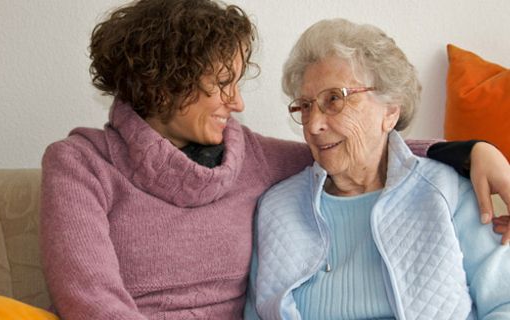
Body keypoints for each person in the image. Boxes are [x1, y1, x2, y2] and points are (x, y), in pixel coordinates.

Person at [40, 1, 510, 319]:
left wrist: (470, 151)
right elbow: (91, 301)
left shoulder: (249, 157)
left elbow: (353, 153)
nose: (238, 102)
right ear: (167, 84)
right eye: (223, 84)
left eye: (335, 99)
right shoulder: (80, 164)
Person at [245, 18, 510, 320]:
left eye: (334, 99)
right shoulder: (276, 209)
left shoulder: (447, 191)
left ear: (390, 111)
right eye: (305, 106)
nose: (315, 125)